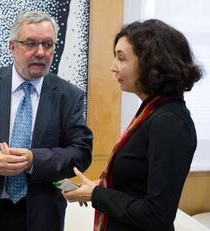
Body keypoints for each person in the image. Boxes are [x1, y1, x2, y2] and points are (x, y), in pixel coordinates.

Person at [0, 11, 93, 231]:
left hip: (42, 216)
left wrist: (35, 159)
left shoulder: (68, 95)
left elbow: (81, 153)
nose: (41, 52)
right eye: (31, 44)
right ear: (12, 46)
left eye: (48, 44)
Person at [62, 19, 203, 231]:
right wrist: (96, 188)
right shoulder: (152, 113)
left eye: (121, 58)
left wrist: (97, 194)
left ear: (152, 65)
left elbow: (157, 214)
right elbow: (135, 187)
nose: (112, 67)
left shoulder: (169, 123)